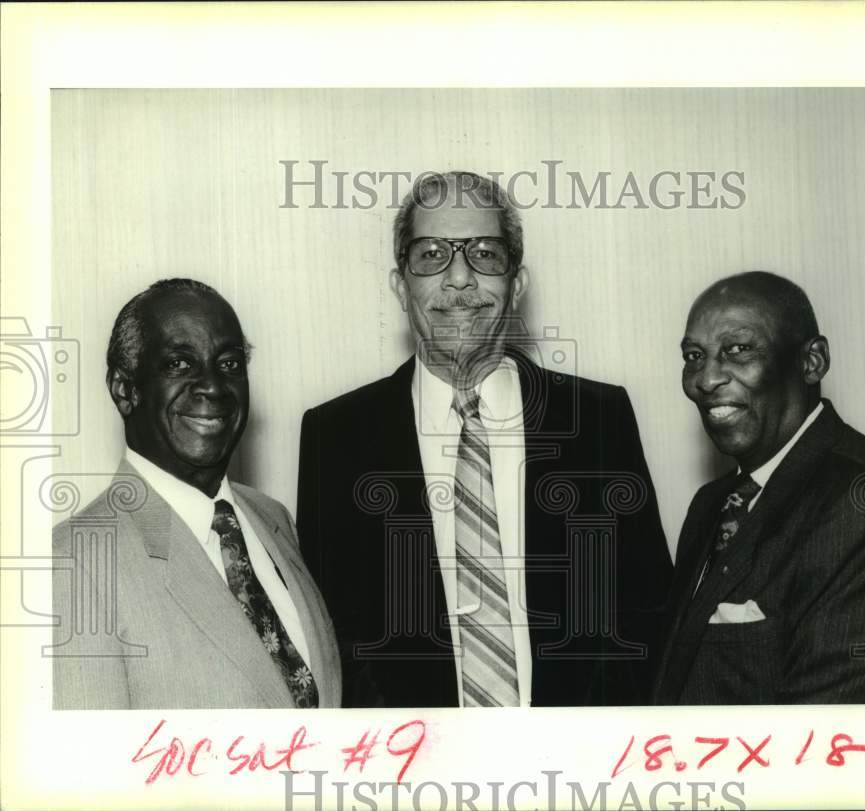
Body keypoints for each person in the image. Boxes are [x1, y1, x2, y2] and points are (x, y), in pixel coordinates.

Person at [297, 171, 672, 707]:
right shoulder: (334, 438)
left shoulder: (599, 420)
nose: (458, 279)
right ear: (400, 285)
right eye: (431, 255)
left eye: (484, 254)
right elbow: (327, 644)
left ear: (517, 284)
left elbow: (648, 621)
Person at [652, 271, 865, 704]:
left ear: (812, 362)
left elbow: (829, 745)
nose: (706, 378)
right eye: (695, 356)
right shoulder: (711, 505)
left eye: (738, 350)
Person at [52, 278, 341, 709]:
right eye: (179, 365)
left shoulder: (272, 518)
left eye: (229, 364)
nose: (213, 386)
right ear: (124, 390)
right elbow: (95, 772)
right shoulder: (76, 562)